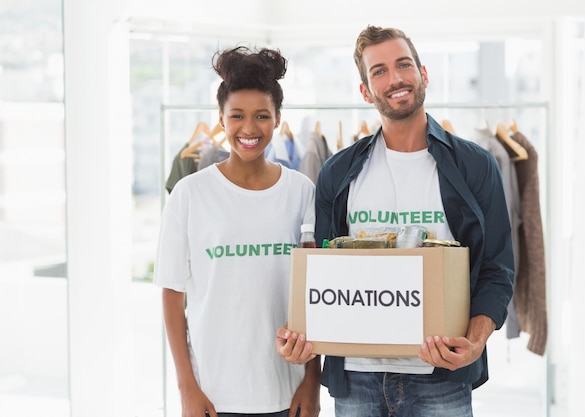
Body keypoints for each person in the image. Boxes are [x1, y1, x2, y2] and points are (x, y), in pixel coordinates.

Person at [276, 25, 514, 416]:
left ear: (423, 73)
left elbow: (497, 268)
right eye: (379, 71)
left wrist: (474, 341)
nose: (396, 78)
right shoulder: (338, 173)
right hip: (357, 378)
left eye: (403, 65)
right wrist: (301, 340)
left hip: (440, 375)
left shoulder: (475, 166)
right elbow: (321, 275)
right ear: (366, 91)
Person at [154, 46, 321, 417]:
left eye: (262, 116)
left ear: (278, 119)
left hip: (287, 394)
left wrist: (311, 383)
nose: (249, 128)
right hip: (213, 397)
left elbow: (315, 298)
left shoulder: (302, 192)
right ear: (221, 119)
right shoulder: (189, 194)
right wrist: (186, 389)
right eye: (237, 116)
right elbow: (171, 294)